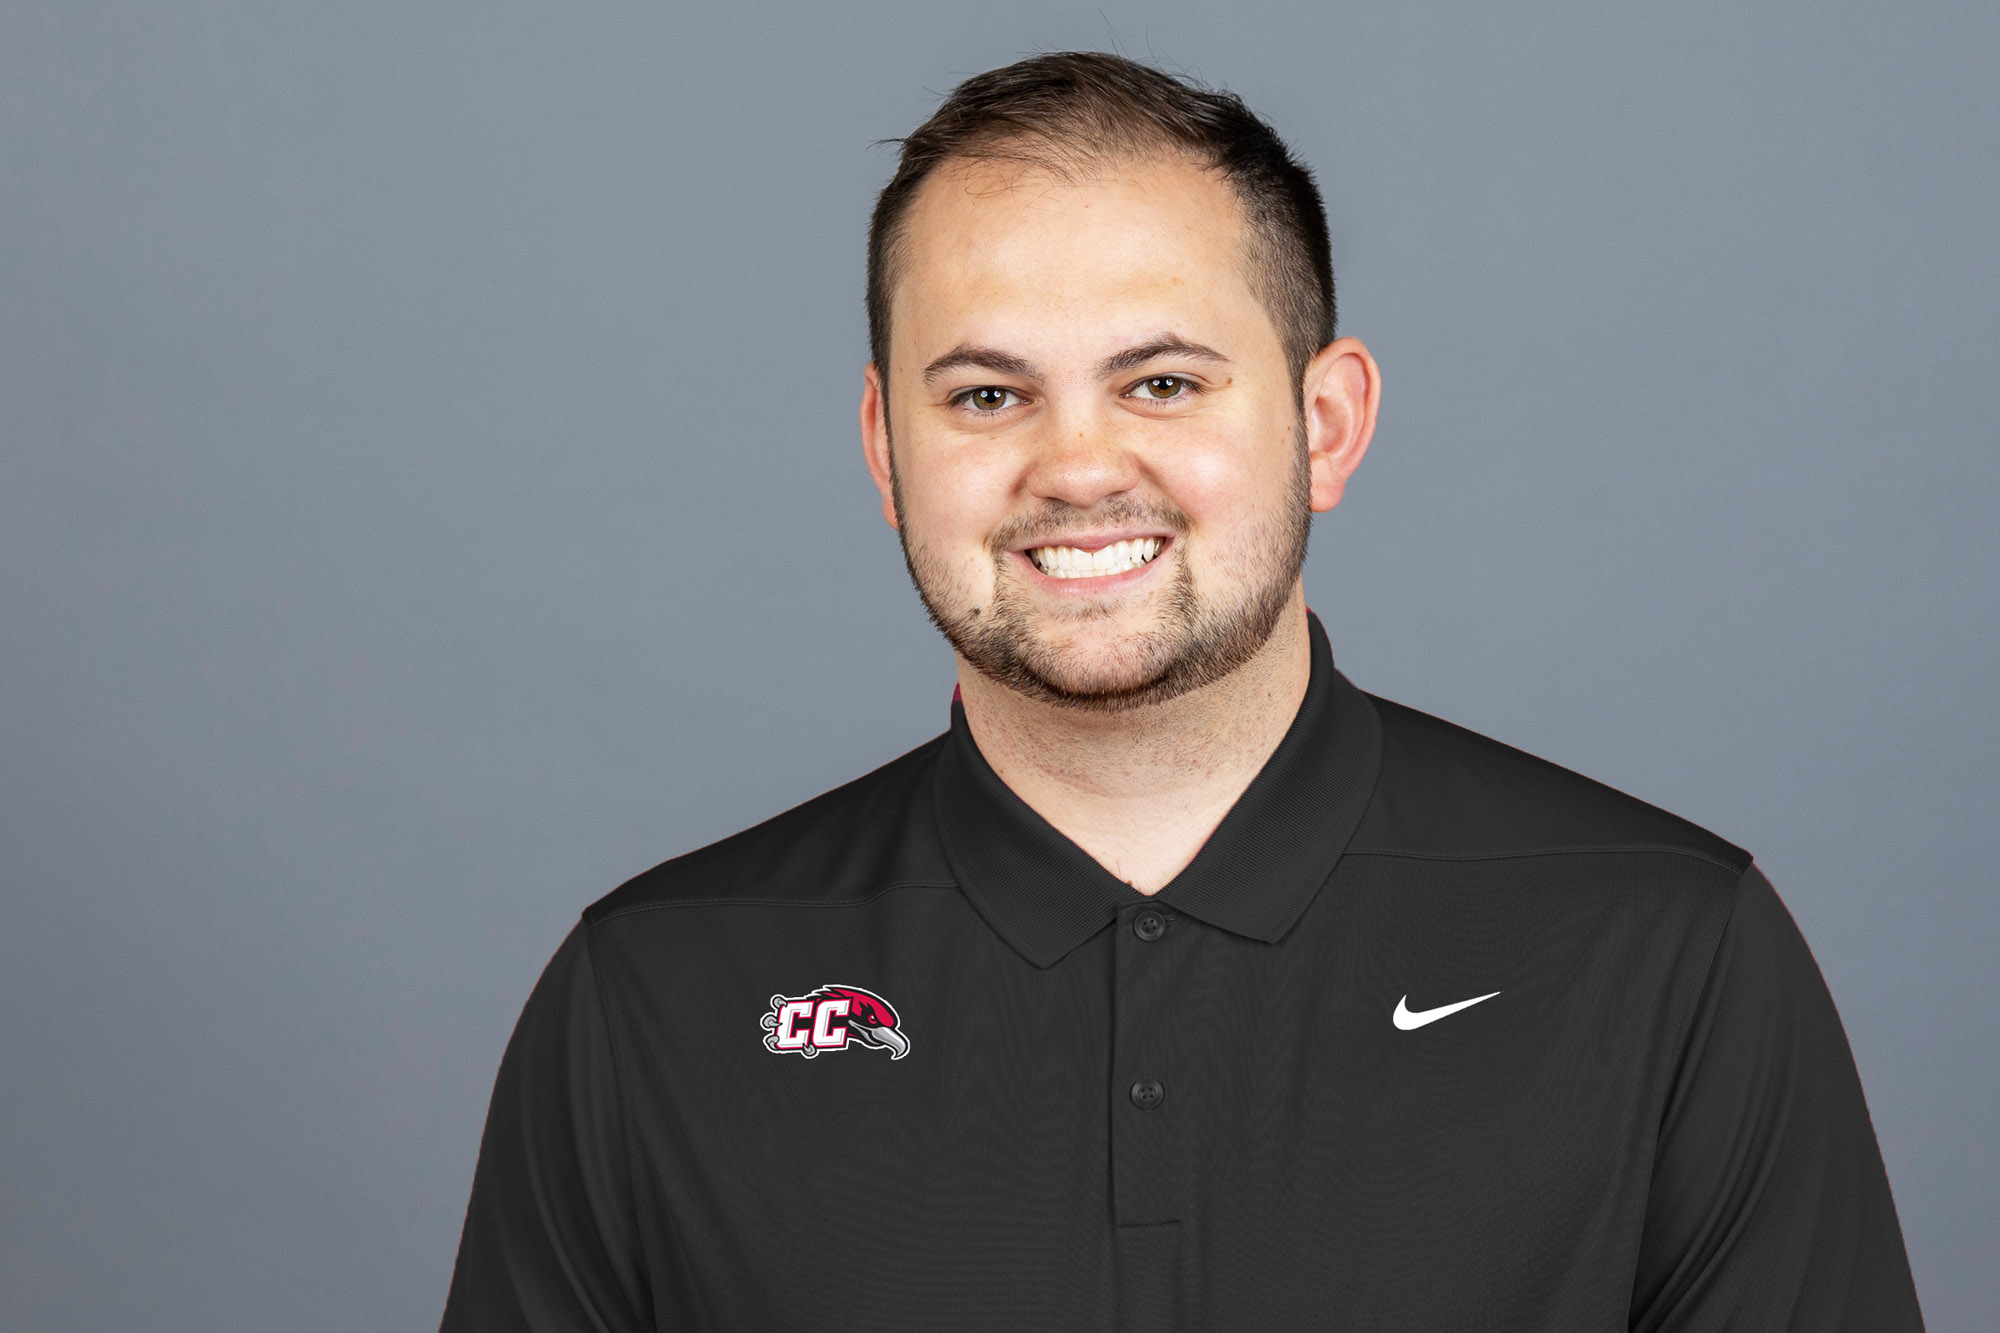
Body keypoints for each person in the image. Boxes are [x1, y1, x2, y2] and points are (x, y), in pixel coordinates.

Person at [442, 52, 1922, 1330]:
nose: (1078, 467)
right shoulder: (651, 996)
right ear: (888, 451)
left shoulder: (1669, 953)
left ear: (1324, 424)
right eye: (986, 395)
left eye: (1161, 382)